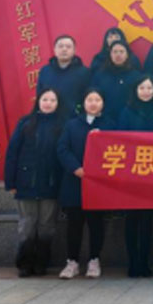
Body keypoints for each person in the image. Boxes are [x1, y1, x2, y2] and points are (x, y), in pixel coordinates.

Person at [4, 88, 67, 277]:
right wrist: (10, 182)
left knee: (47, 226)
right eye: (45, 99)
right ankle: (24, 264)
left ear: (58, 104)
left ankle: (41, 263)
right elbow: (12, 153)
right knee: (27, 225)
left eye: (53, 100)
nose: (48, 103)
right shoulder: (25, 123)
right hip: (26, 183)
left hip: (50, 183)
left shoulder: (62, 125)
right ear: (38, 101)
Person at [56, 88, 115, 279]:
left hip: (98, 184)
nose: (93, 103)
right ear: (83, 103)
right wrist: (76, 168)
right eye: (90, 99)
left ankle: (94, 260)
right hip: (75, 181)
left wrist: (104, 137)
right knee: (74, 224)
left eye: (97, 99)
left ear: (103, 103)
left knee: (96, 224)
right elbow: (62, 149)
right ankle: (72, 262)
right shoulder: (72, 124)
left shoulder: (109, 125)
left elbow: (117, 151)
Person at [118, 75, 153, 277]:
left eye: (149, 88)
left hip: (152, 173)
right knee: (131, 220)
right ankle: (133, 262)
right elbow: (120, 140)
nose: (146, 91)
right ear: (135, 90)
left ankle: (144, 262)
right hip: (131, 173)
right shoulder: (127, 111)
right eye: (142, 88)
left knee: (147, 220)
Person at [36, 35, 91, 116]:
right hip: (50, 118)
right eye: (60, 46)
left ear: (74, 50)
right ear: (54, 49)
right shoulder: (45, 71)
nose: (64, 49)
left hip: (75, 118)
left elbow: (89, 96)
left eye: (68, 47)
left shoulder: (84, 72)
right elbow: (40, 95)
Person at [90, 41, 142, 122]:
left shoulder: (136, 76)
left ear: (127, 55)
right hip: (104, 120)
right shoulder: (100, 75)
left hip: (129, 120)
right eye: (115, 52)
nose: (118, 55)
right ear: (110, 55)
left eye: (121, 52)